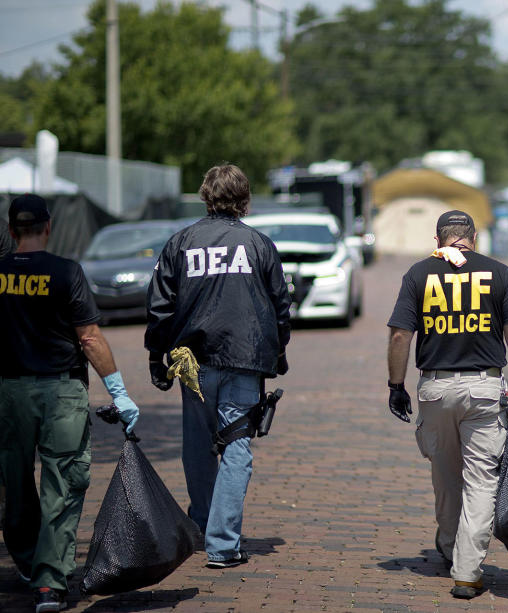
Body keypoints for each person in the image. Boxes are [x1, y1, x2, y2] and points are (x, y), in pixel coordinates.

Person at [145, 164, 291, 569]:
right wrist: (278, 354)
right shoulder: (260, 245)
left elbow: (159, 306)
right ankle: (223, 544)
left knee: (197, 445)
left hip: (193, 361)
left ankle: (203, 524)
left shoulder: (180, 243)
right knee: (237, 446)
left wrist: (156, 356)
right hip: (246, 359)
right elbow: (281, 305)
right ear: (244, 199)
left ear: (206, 196)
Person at [386, 210, 508, 600]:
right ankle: (467, 571)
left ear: (438, 241)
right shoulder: (499, 273)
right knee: (481, 479)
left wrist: (396, 384)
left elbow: (401, 334)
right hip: (484, 389)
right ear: (474, 238)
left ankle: (452, 545)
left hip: (434, 389)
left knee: (445, 473)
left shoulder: (419, 275)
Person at [0, 194, 140, 613]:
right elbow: (90, 338)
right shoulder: (65, 272)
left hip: (9, 392)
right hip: (61, 393)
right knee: (62, 483)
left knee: (15, 482)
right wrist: (118, 391)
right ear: (48, 227)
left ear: (10, 231)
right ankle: (49, 584)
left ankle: (27, 563)